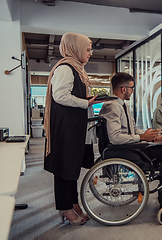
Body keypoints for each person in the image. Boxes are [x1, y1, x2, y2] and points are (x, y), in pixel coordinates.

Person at [44, 32, 104, 226]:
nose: (91, 53)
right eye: (87, 49)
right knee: (64, 169)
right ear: (75, 48)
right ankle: (65, 208)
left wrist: (89, 101)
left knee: (72, 168)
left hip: (74, 126)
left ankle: (73, 203)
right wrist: (86, 103)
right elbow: (60, 96)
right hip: (65, 128)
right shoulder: (65, 68)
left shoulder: (77, 68)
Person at [99, 72, 162, 204]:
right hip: (124, 150)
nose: (133, 91)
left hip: (129, 147)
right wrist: (142, 137)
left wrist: (150, 137)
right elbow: (115, 138)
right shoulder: (112, 106)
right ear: (123, 89)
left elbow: (131, 128)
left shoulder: (122, 105)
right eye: (132, 88)